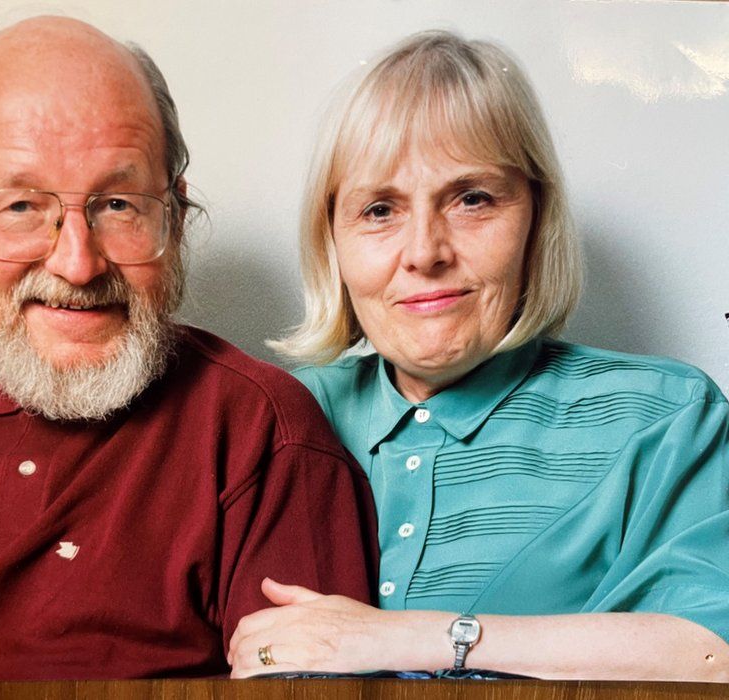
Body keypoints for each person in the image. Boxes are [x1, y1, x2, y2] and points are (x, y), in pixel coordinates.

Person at [0, 17, 376, 694]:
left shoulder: (263, 433)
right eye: (21, 204)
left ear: (174, 212)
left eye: (116, 203)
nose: (77, 264)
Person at [229, 31, 729, 681]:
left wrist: (407, 638)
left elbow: (715, 653)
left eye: (472, 199)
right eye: (379, 209)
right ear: (332, 240)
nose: (425, 251)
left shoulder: (667, 418)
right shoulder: (271, 419)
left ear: (537, 216)